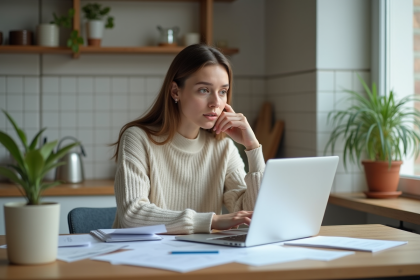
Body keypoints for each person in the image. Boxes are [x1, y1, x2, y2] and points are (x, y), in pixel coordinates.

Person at [111, 44, 265, 234]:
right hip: (138, 258)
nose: (216, 102)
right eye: (204, 90)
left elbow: (253, 216)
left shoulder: (223, 148)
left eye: (222, 91)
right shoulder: (137, 138)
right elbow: (132, 215)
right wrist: (211, 221)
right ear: (175, 91)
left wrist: (253, 147)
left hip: (199, 258)